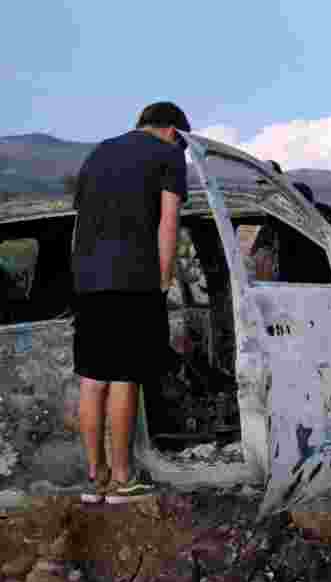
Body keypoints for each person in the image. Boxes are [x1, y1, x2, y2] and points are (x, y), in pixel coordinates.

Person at [72, 101, 191, 502]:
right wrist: (163, 278)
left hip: (88, 282)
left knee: (92, 379)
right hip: (133, 280)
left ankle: (96, 478)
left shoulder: (97, 153)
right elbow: (168, 222)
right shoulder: (169, 155)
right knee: (125, 377)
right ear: (173, 131)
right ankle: (123, 479)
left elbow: (80, 223)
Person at [250, 162, 331, 284]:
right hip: (294, 284)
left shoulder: (279, 215)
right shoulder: (272, 218)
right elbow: (258, 252)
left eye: (267, 183)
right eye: (261, 184)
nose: (264, 188)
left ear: (281, 181)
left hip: (316, 283)